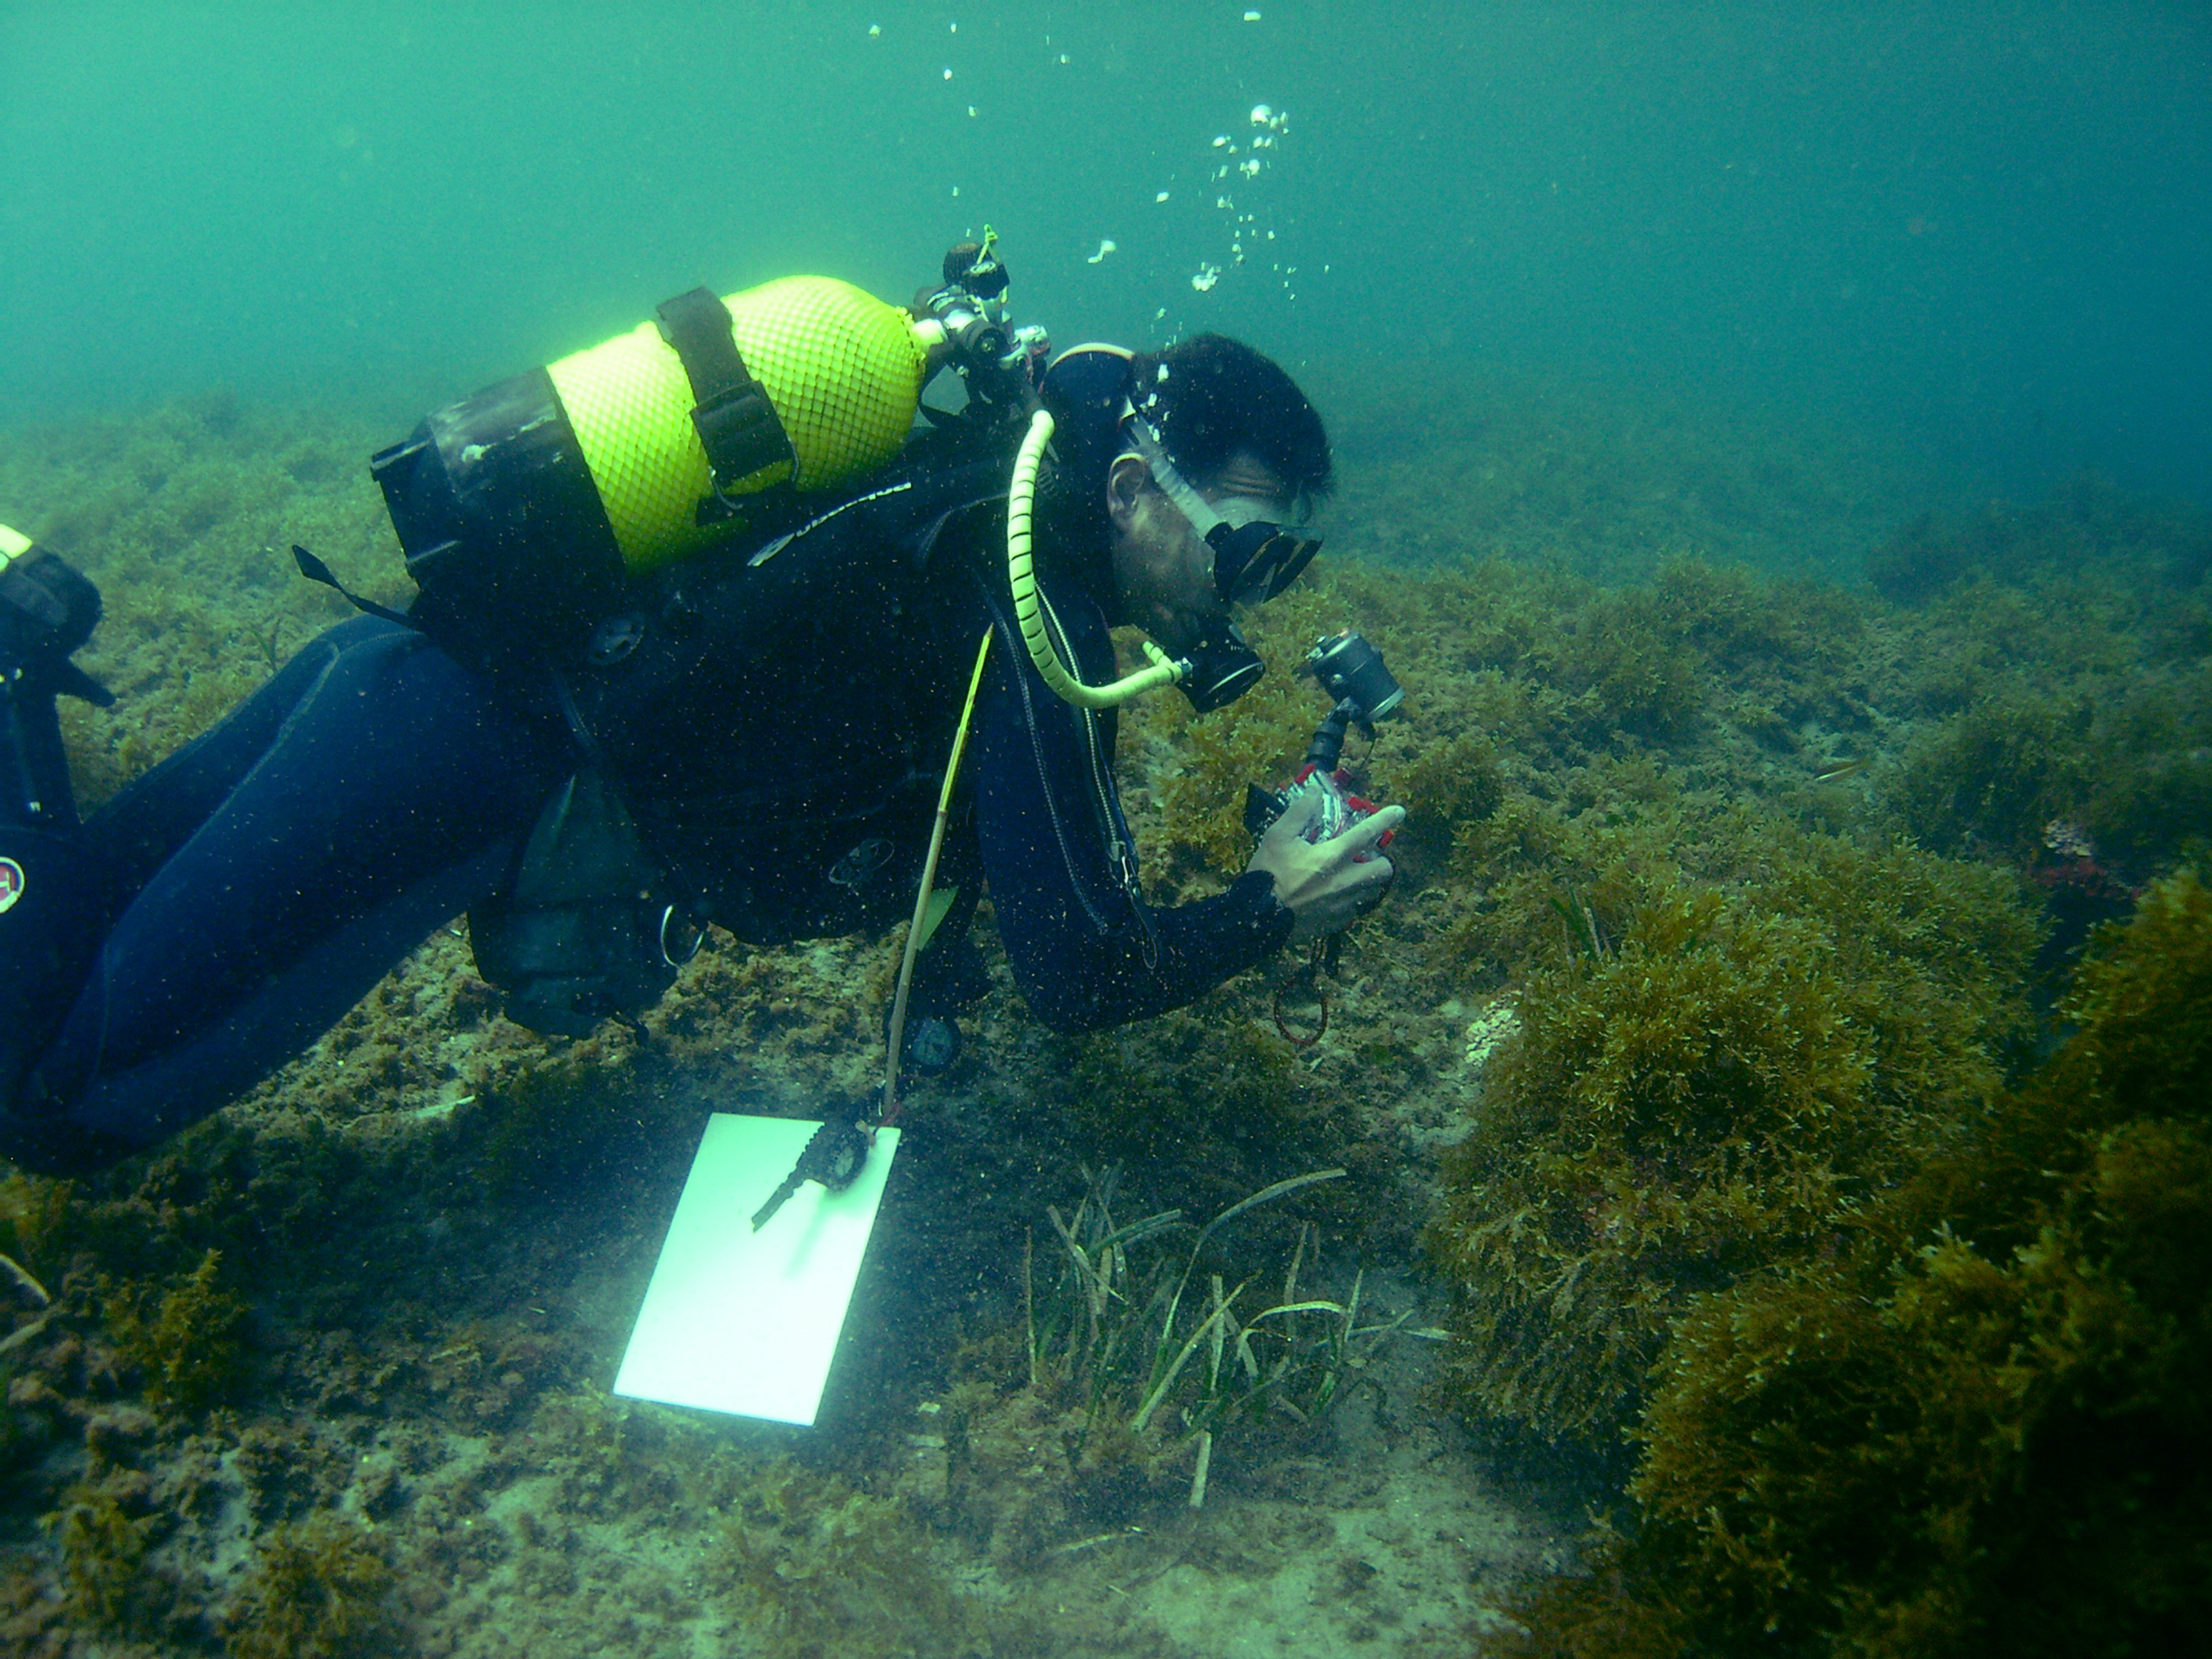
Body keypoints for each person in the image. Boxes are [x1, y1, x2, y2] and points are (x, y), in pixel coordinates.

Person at [0, 276, 1403, 1177]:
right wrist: (1268, 904)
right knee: (56, 1094)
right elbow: (1084, 975)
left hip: (391, 675)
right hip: (457, 761)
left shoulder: (968, 496)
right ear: (1136, 491)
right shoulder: (1031, 621)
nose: (1254, 598)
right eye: (1252, 550)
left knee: (65, 919)